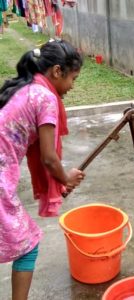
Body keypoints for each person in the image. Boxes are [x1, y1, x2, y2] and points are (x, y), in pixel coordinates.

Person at [0, 39, 85, 300]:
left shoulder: (26, 88)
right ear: (57, 71)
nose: (72, 86)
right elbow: (48, 158)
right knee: (28, 245)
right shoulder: (46, 97)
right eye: (73, 78)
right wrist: (65, 177)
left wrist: (59, 181)